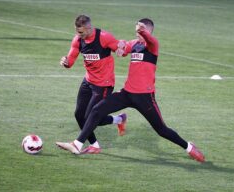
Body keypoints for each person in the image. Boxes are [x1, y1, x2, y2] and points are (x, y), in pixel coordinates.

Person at [56, 18, 205, 163]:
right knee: (96, 111)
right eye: (136, 32)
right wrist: (120, 48)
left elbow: (149, 39)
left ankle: (189, 147)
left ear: (149, 31)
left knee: (161, 130)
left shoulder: (152, 46)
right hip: (127, 94)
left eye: (141, 32)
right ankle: (78, 144)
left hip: (145, 97)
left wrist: (143, 32)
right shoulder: (134, 44)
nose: (138, 35)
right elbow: (122, 48)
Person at [57, 14, 127, 154]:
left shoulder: (104, 37)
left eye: (81, 31)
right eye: (77, 31)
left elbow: (121, 50)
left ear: (89, 28)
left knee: (91, 117)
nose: (78, 34)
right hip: (88, 81)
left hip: (103, 84)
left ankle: (78, 144)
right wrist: (64, 62)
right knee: (79, 114)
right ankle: (97, 143)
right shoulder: (78, 40)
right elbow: (70, 62)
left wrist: (122, 48)